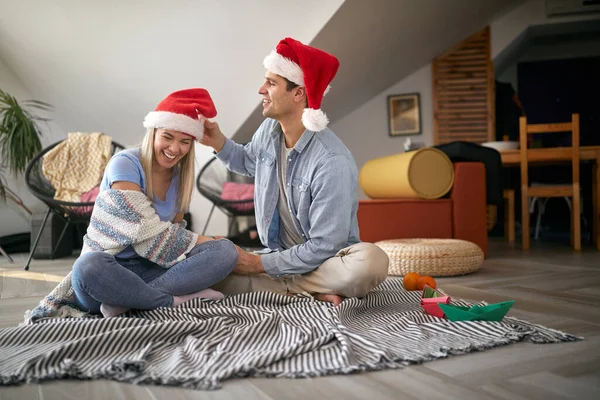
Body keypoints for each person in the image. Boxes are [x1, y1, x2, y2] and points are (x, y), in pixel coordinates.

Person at [200, 38, 389, 306]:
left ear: (298, 93)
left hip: (327, 261)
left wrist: (256, 264)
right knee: (205, 267)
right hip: (281, 255)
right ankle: (311, 289)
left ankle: (285, 285)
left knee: (371, 262)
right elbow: (246, 162)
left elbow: (325, 246)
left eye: (271, 83)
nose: (261, 89)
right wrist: (217, 141)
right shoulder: (268, 131)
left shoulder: (331, 161)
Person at [70, 88, 239, 318]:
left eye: (184, 142)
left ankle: (130, 300)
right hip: (109, 271)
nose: (174, 149)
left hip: (153, 269)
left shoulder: (181, 177)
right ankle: (171, 301)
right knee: (87, 266)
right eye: (167, 137)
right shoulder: (125, 164)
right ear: (153, 133)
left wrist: (212, 245)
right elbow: (144, 230)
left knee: (226, 252)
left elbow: (175, 234)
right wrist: (204, 240)